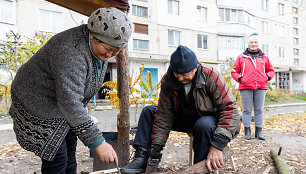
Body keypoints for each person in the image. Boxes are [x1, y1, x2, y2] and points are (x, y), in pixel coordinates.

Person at [9, 7, 132, 174]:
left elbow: (74, 96)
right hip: (36, 98)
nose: (110, 54)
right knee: (57, 154)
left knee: (70, 149)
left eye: (115, 51)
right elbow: (70, 103)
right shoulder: (70, 51)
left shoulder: (97, 48)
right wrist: (98, 142)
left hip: (60, 98)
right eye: (108, 49)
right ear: (93, 36)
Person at [121, 45, 241, 173]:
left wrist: (218, 144)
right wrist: (156, 149)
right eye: (177, 74)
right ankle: (142, 159)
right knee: (148, 111)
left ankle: (201, 170)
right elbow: (164, 114)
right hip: (183, 119)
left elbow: (229, 108)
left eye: (184, 74)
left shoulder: (210, 75)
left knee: (203, 124)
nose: (180, 78)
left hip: (207, 122)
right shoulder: (168, 80)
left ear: (195, 68)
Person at [231, 34, 275, 140]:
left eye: (255, 42)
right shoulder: (241, 57)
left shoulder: (264, 57)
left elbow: (271, 70)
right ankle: (247, 132)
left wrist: (267, 77)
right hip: (245, 87)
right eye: (251, 42)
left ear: (258, 44)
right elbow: (234, 71)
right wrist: (240, 78)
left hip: (261, 87)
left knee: (259, 110)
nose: (253, 44)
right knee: (247, 110)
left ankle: (259, 133)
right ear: (248, 44)